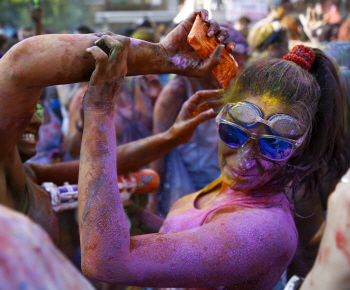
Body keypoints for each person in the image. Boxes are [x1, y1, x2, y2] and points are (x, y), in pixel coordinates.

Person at [78, 20, 350, 288]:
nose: (244, 159)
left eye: (273, 146)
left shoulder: (263, 230)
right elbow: (207, 241)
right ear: (220, 116)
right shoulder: (239, 187)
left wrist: (99, 109)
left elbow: (105, 262)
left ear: (298, 148)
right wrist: (151, 223)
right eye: (234, 133)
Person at [0, 9, 232, 287]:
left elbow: (99, 164)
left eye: (38, 108)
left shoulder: (24, 172)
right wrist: (161, 56)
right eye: (28, 108)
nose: (35, 118)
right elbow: (21, 64)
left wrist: (171, 137)